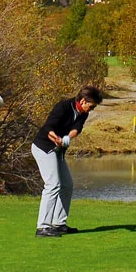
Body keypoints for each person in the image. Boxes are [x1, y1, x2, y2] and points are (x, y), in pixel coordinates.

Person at [32, 85, 103, 237]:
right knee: (53, 184)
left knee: (67, 185)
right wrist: (56, 138)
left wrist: (67, 138)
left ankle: (59, 224)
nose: (91, 110)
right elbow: (48, 128)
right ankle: (42, 227)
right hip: (44, 148)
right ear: (83, 101)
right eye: (91, 106)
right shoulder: (62, 107)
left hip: (57, 150)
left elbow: (77, 127)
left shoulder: (83, 113)